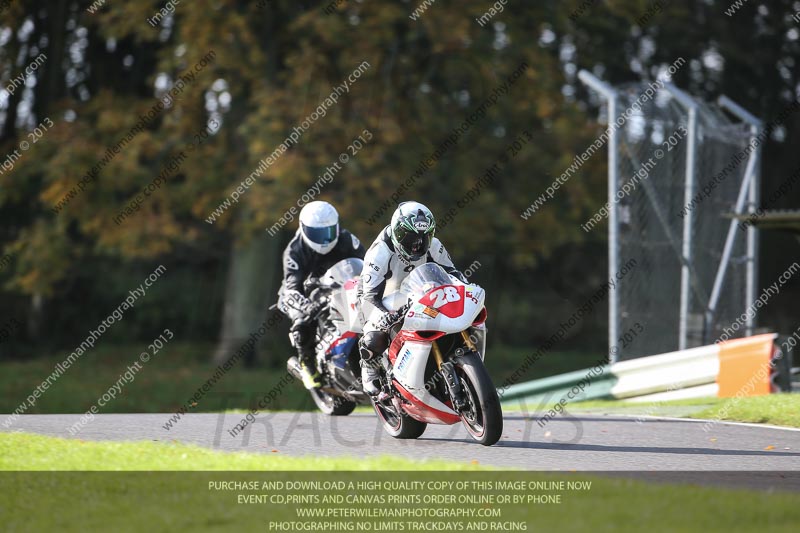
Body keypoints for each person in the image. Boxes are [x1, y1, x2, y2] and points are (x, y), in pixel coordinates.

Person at [357, 201, 466, 395]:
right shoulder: (380, 252)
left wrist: (465, 287)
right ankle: (369, 369)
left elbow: (453, 273)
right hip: (381, 295)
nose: (417, 246)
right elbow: (370, 297)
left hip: (419, 288)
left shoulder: (433, 245)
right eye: (410, 239)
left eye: (424, 238)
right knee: (374, 336)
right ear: (398, 233)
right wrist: (385, 314)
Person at [277, 201, 365, 389]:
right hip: (303, 293)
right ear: (303, 228)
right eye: (317, 234)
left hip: (339, 285)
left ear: (337, 226)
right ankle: (307, 364)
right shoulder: (294, 251)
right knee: (301, 326)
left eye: (329, 232)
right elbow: (292, 288)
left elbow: (368, 264)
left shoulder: (347, 239)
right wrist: (308, 307)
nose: (325, 239)